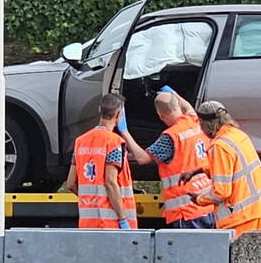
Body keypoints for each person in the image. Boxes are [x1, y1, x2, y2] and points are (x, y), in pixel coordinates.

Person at [120, 86, 216, 229]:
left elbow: (142, 158)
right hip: (208, 204)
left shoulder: (170, 137)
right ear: (177, 105)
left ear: (160, 115)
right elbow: (188, 107)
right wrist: (174, 93)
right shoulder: (195, 120)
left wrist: (124, 132)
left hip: (187, 212)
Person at [186, 100, 261, 238]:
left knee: (236, 258)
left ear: (205, 123)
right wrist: (200, 170)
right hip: (257, 210)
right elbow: (233, 169)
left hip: (239, 217)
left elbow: (221, 193)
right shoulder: (237, 135)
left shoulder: (219, 146)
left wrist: (199, 199)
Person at [64, 92, 137, 229]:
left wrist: (91, 201)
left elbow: (70, 184)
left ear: (100, 110)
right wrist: (122, 219)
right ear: (119, 115)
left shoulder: (80, 142)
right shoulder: (115, 143)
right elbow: (110, 182)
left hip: (87, 223)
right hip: (111, 224)